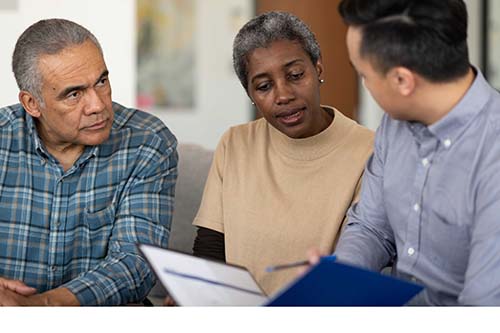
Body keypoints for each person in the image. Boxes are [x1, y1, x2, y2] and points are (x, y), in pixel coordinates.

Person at [323, 0, 500, 305]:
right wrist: (340, 280)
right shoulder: (395, 124)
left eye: (364, 75)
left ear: (402, 80)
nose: (364, 84)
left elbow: (482, 310)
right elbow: (370, 227)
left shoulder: (492, 153)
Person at [192, 11, 374, 296]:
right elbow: (210, 248)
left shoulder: (369, 151)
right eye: (264, 86)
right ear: (251, 94)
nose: (283, 95)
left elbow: (364, 255)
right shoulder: (235, 143)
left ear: (319, 69)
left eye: (295, 75)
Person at [0, 18, 178, 305]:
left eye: (102, 82)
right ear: (32, 103)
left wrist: (42, 306)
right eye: (74, 94)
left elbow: (135, 265)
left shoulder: (148, 141)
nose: (98, 105)